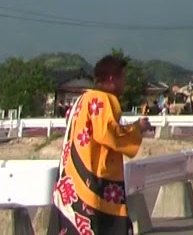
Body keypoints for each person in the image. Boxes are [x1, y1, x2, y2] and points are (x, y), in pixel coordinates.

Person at [52, 54, 154, 235]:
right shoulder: (103, 100)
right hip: (93, 184)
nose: (125, 82)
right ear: (112, 79)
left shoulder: (82, 99)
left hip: (71, 179)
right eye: (123, 77)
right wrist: (137, 128)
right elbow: (108, 134)